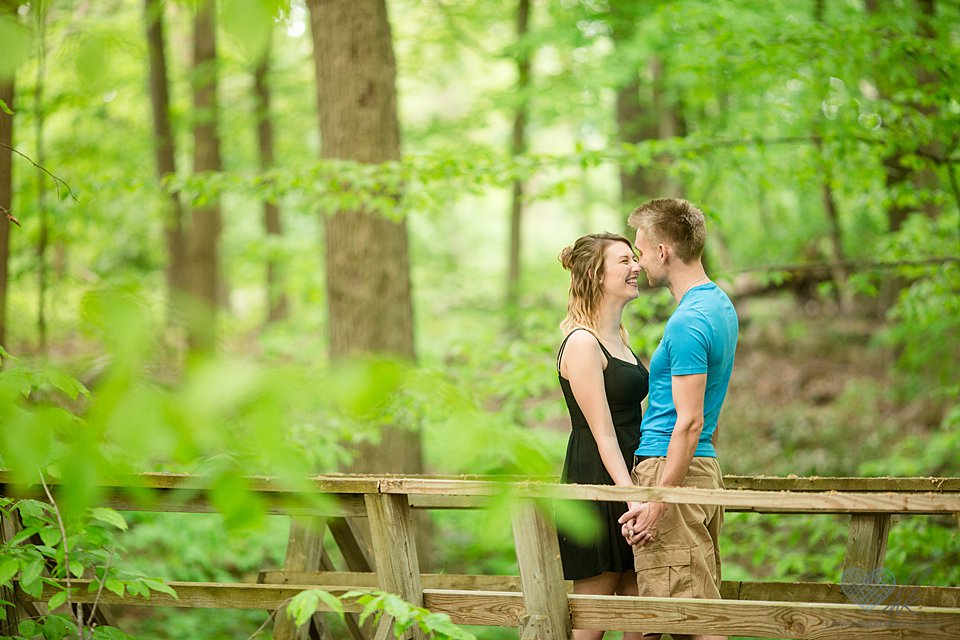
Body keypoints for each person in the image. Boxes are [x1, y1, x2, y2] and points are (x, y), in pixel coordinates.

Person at [618, 198, 737, 640]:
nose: (639, 260)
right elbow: (708, 415)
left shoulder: (688, 321)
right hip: (698, 470)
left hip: (672, 471)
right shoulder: (719, 305)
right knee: (691, 609)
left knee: (686, 620)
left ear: (663, 251)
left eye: (641, 250)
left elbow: (688, 422)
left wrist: (659, 500)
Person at [556, 232, 650, 640]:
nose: (637, 268)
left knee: (643, 620)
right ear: (596, 276)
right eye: (625, 261)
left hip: (632, 475)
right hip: (599, 481)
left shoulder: (622, 339)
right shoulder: (581, 343)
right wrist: (630, 495)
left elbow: (634, 420)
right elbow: (603, 434)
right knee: (592, 625)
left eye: (635, 259)